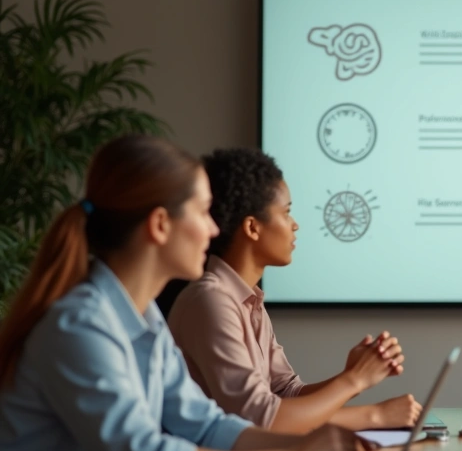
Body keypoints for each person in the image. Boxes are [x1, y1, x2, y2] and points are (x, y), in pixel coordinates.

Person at [0, 136, 367, 451]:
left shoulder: (146, 318)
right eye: (204, 212)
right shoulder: (78, 326)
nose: (213, 229)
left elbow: (206, 426)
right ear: (160, 224)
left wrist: (311, 445)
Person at [168, 148, 420, 433]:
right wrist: (367, 404)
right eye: (286, 213)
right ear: (252, 227)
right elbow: (263, 419)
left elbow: (285, 392)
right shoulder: (210, 300)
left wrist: (353, 375)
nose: (295, 224)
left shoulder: (247, 299)